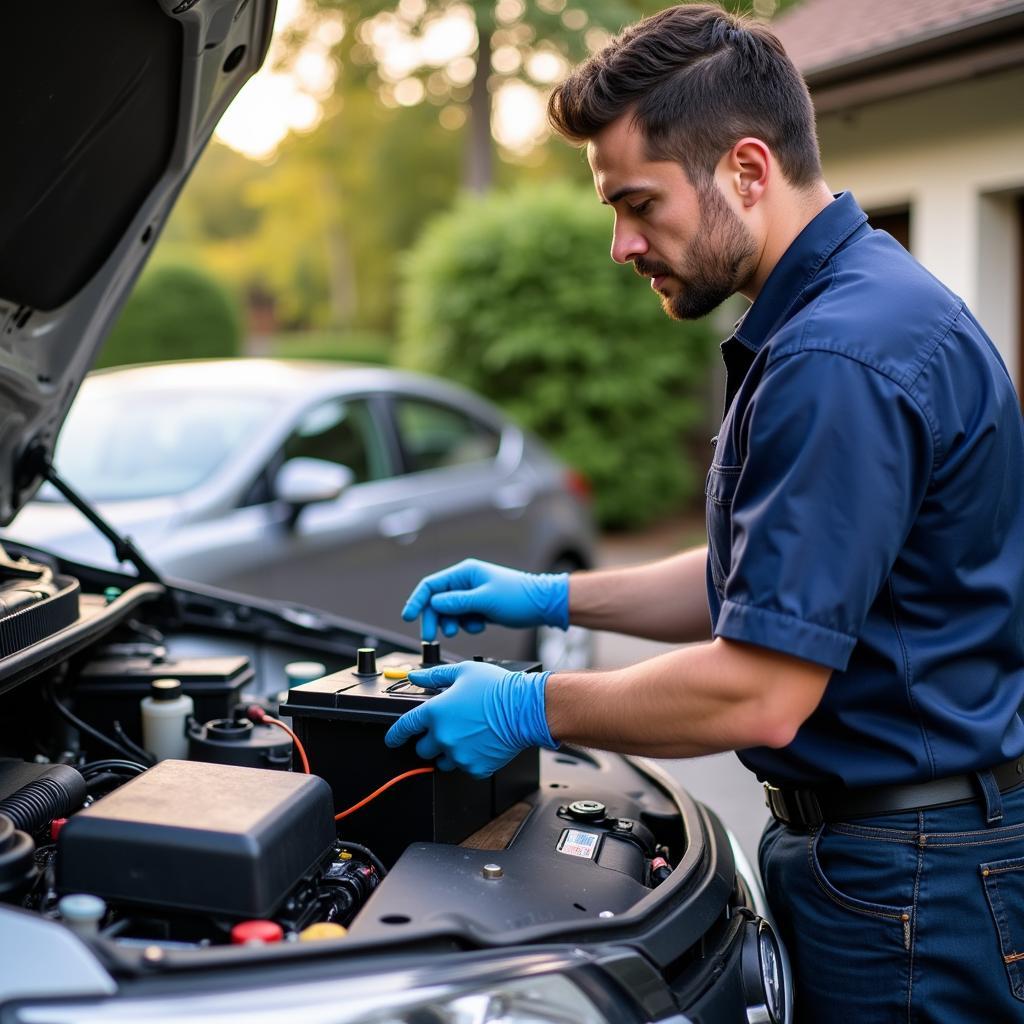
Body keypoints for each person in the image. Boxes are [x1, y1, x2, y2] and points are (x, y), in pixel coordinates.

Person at [383, 5, 1024, 1020]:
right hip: (909, 856)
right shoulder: (857, 310)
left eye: (638, 203)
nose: (618, 244)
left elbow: (758, 690)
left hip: (909, 880)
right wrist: (553, 596)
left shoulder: (834, 359)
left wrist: (526, 706)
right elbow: (762, 588)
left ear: (747, 170)